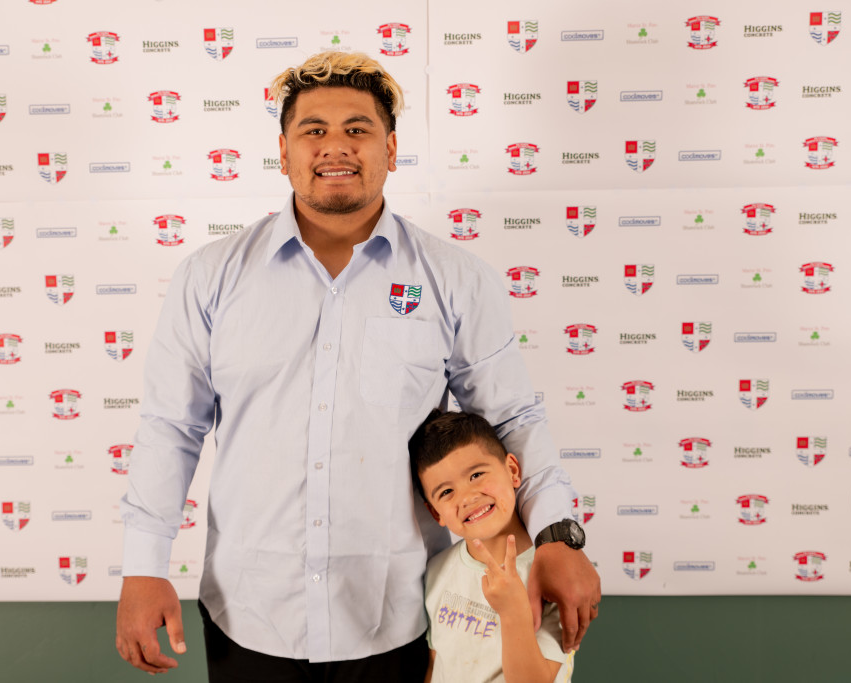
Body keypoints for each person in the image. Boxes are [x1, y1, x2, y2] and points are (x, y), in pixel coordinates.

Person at [115, 51, 600, 681]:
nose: (335, 146)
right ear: (283, 151)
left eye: (358, 128)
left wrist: (557, 534)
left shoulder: (457, 280)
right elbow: (170, 427)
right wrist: (143, 566)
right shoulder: (210, 277)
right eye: (313, 130)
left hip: (396, 615)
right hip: (249, 609)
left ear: (391, 149)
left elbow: (513, 418)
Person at [410, 409, 575, 683]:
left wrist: (513, 612)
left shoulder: (553, 575)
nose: (467, 497)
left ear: (512, 470)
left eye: (476, 475)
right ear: (436, 512)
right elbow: (436, 665)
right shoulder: (437, 569)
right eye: (446, 492)